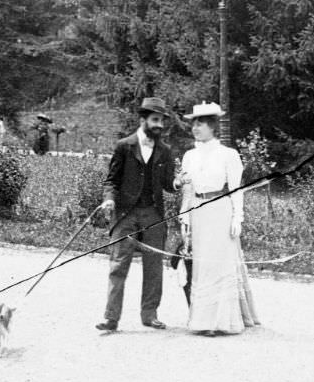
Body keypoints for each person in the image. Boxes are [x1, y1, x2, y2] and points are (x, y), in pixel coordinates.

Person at [178, 101, 259, 336]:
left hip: (220, 212)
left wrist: (237, 218)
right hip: (198, 212)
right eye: (194, 124)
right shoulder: (189, 156)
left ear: (213, 126)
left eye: (201, 123)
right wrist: (184, 218)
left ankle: (221, 321)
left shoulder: (228, 155)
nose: (195, 128)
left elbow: (236, 189)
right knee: (202, 266)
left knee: (219, 266)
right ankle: (202, 320)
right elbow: (187, 190)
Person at [96, 97, 177, 331]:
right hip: (125, 214)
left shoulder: (165, 150)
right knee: (118, 265)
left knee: (154, 265)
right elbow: (111, 180)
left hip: (153, 214)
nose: (159, 125)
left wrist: (178, 183)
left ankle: (149, 314)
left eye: (161, 121)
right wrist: (109, 200)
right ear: (143, 119)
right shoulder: (124, 146)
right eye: (154, 120)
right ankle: (111, 318)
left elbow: (168, 184)